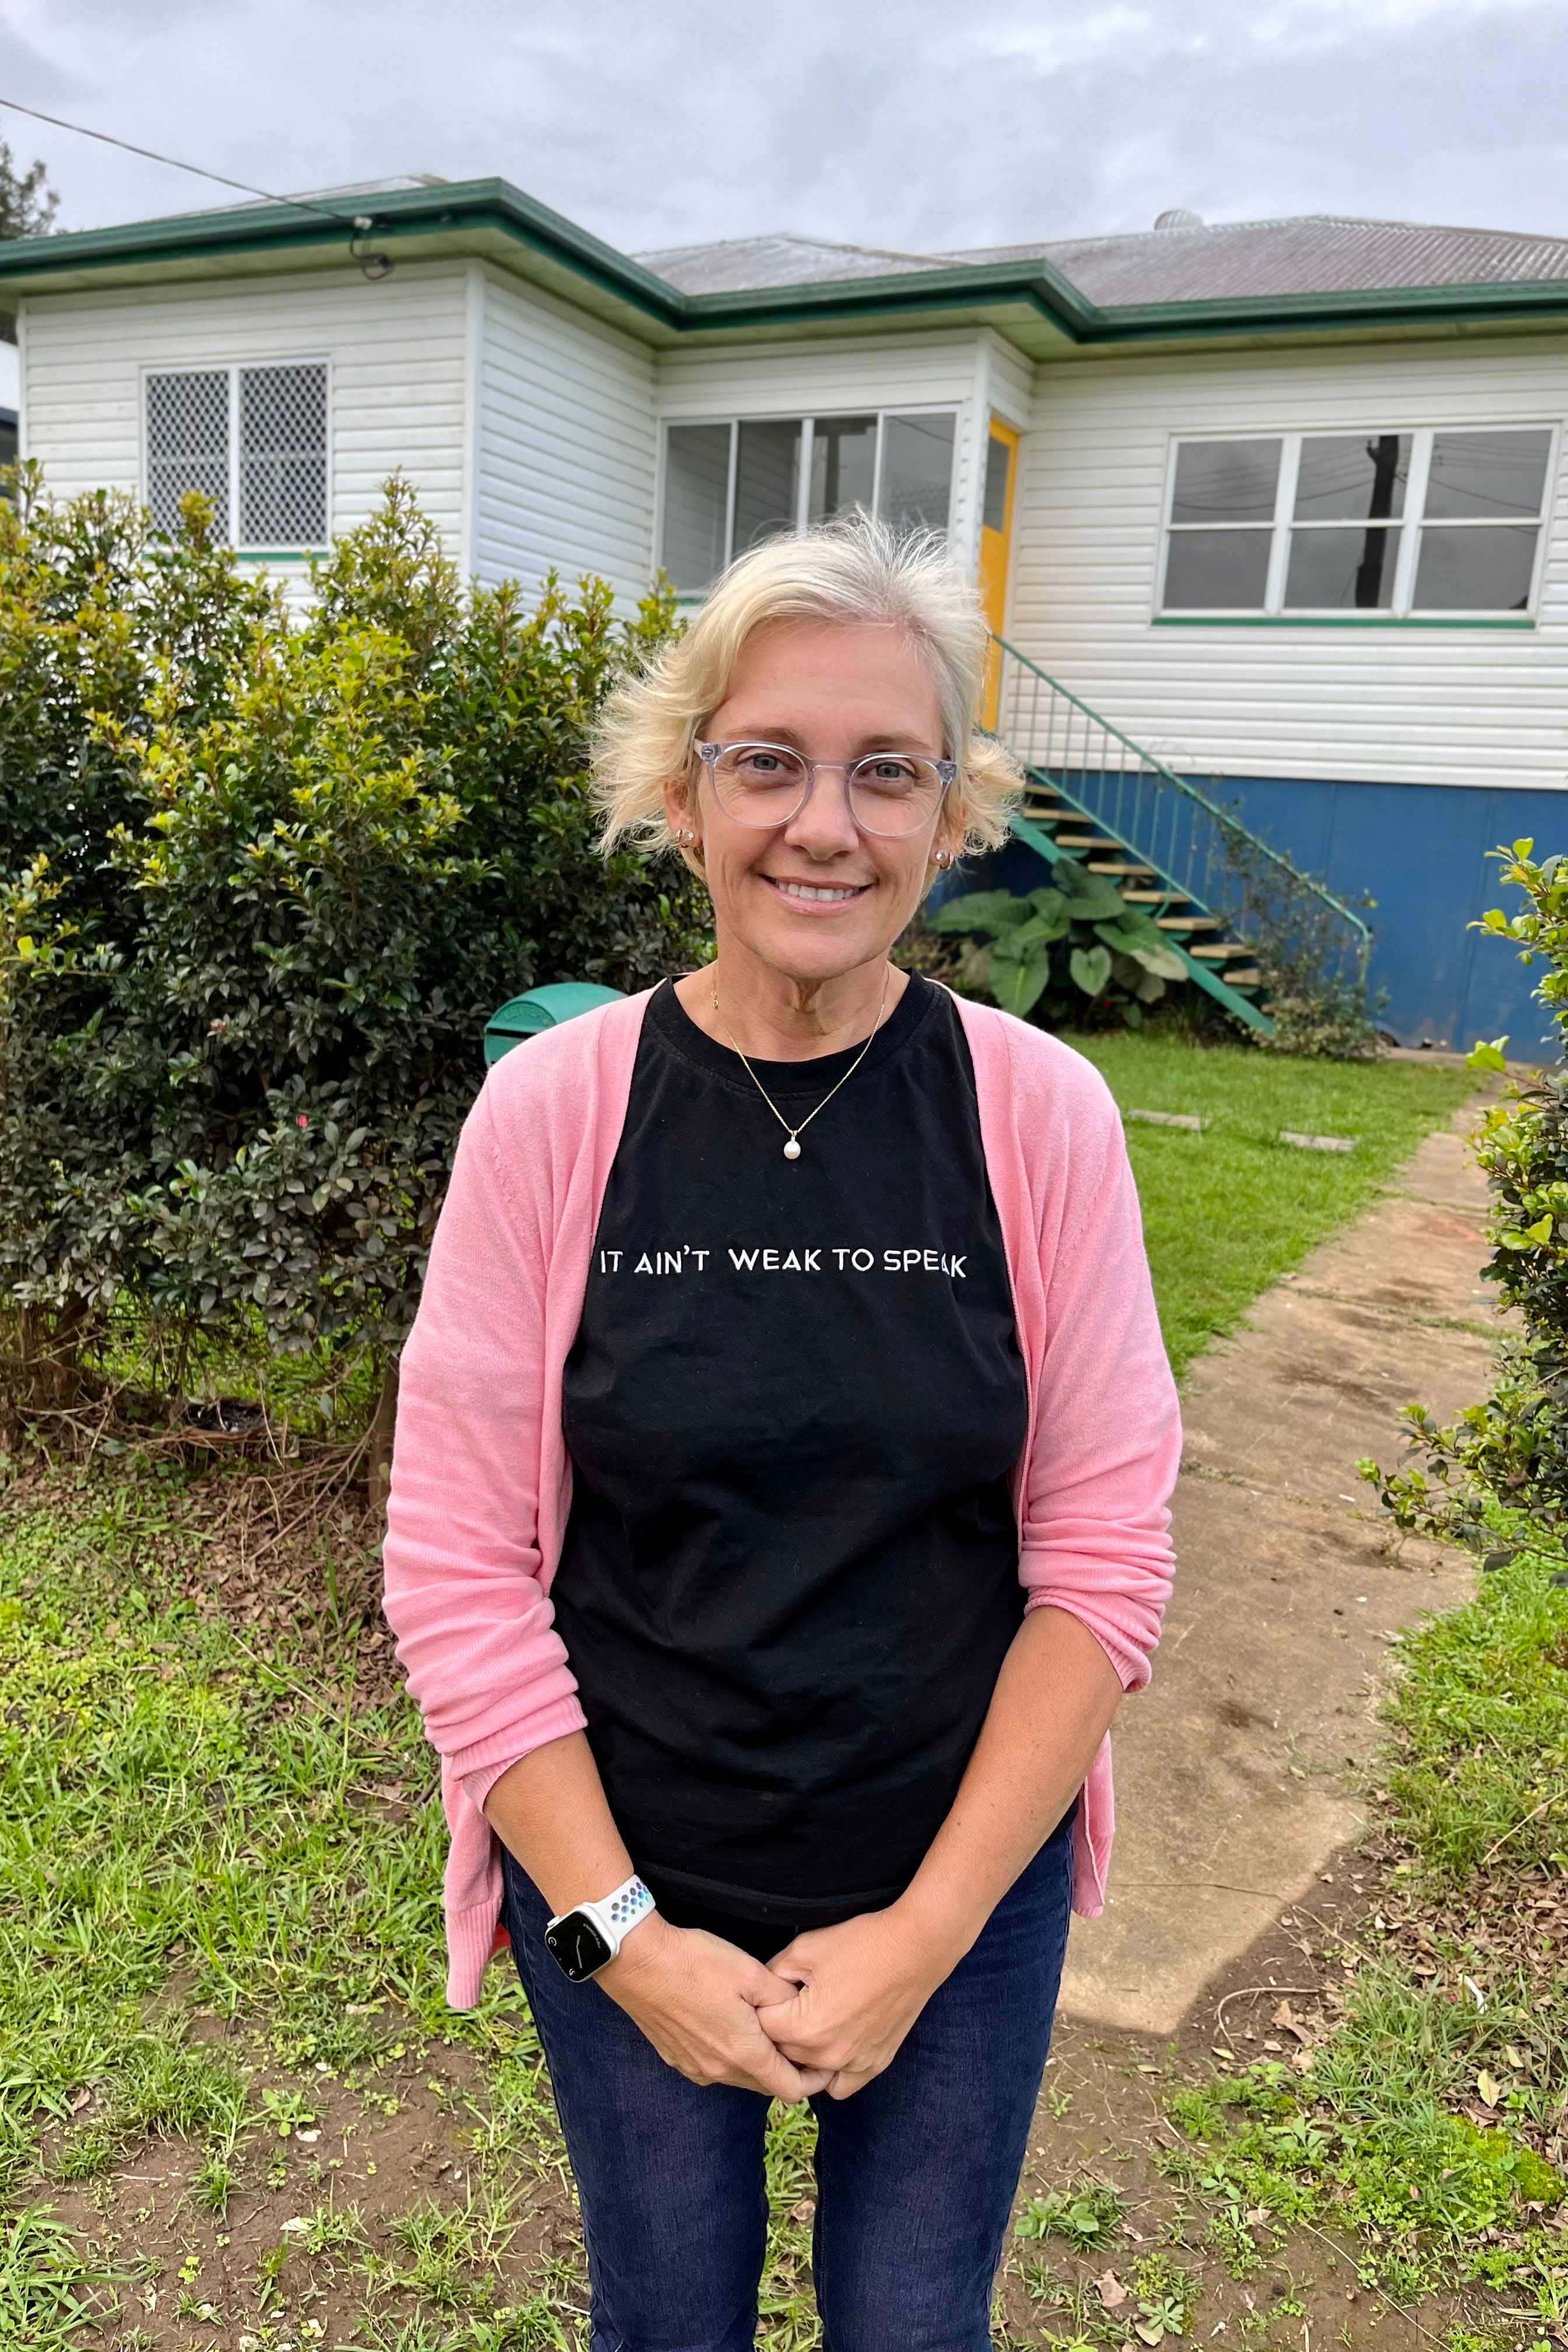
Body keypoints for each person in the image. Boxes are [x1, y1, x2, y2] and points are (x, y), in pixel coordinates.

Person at [382, 514, 1181, 2351]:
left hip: (956, 1895)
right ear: (684, 794)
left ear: (950, 821)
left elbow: (1103, 1560)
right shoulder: (554, 1121)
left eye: (887, 774)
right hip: (623, 1880)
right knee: (665, 2321)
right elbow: (457, 1573)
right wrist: (624, 1942)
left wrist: (925, 1935)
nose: (826, 825)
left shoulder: (1040, 1121)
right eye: (770, 763)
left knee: (914, 2328)